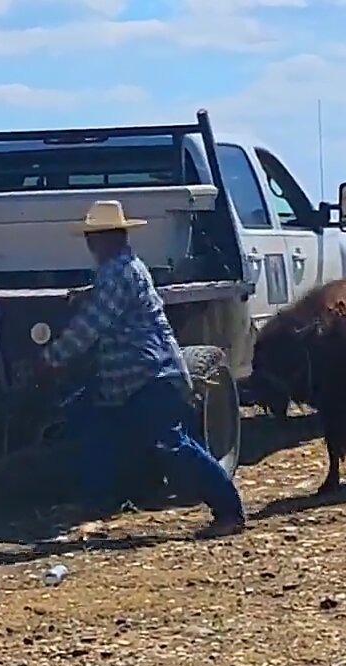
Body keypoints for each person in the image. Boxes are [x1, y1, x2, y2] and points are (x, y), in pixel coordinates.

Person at [22, 200, 247, 538]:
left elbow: (89, 328)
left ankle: (229, 509)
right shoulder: (125, 268)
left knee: (172, 444)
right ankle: (99, 502)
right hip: (130, 380)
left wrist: (49, 360)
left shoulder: (117, 273)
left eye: (95, 237)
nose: (91, 244)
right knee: (98, 434)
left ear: (106, 238)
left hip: (147, 375)